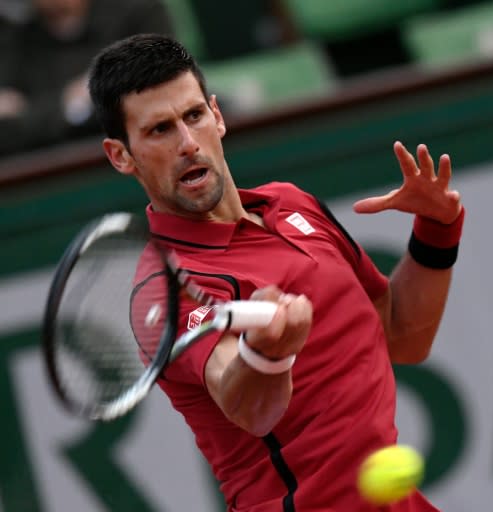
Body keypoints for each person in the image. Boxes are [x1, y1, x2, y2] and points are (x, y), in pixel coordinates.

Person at [88, 33, 465, 511]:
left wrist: (437, 231)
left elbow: (402, 336)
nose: (187, 143)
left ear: (217, 115)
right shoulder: (164, 287)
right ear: (121, 155)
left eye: (194, 116)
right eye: (159, 130)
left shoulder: (291, 202)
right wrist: (267, 353)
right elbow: (245, 404)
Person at [0, 0, 174, 157]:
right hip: (61, 172)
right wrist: (72, 105)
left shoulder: (139, 13)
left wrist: (37, 112)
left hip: (147, 154)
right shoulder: (16, 44)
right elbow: (8, 131)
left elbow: (158, 92)